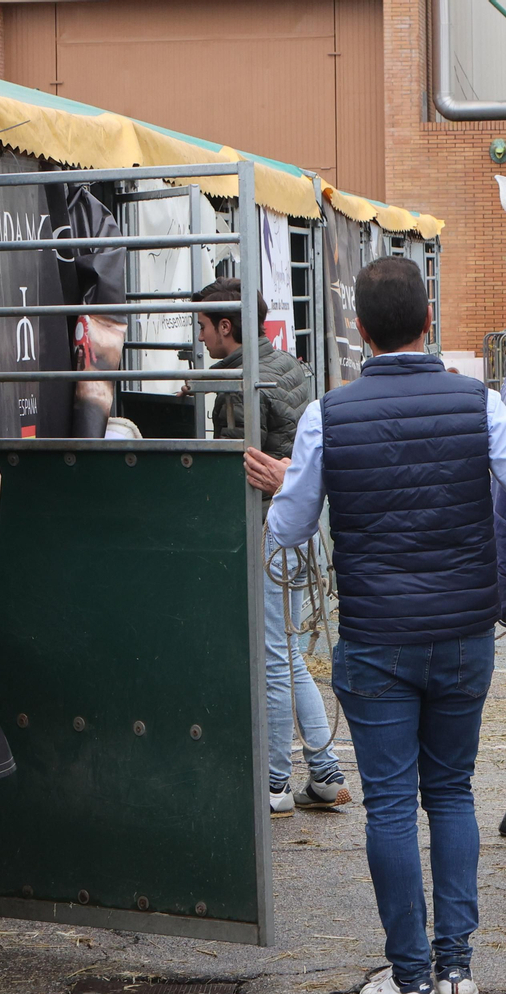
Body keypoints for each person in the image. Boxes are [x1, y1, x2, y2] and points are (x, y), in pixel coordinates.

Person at [267, 257, 506, 994]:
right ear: (427, 324)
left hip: (377, 639)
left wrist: (281, 481)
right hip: (461, 637)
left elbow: (288, 528)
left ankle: (406, 975)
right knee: (450, 794)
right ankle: (456, 970)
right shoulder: (476, 403)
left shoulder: (326, 414)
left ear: (358, 331)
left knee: (388, 806)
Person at [187, 278, 350, 815]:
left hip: (267, 532)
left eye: (205, 327)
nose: (202, 336)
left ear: (227, 326)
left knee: (275, 659)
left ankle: (275, 784)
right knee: (288, 657)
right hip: (299, 532)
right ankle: (324, 773)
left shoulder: (242, 384)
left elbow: (232, 456)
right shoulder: (288, 365)